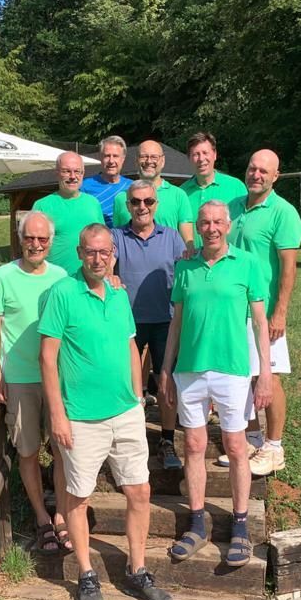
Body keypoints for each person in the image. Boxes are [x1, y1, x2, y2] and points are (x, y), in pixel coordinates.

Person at [39, 223, 173, 600]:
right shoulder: (63, 293)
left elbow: (131, 344)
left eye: (104, 252)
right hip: (81, 417)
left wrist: (137, 396)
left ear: (113, 254)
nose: (98, 259)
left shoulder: (118, 293)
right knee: (79, 497)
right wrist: (57, 414)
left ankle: (137, 570)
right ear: (79, 253)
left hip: (125, 412)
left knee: (140, 491)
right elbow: (47, 357)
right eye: (90, 252)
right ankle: (86, 574)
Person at [159, 201, 272, 567]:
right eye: (205, 222)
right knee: (194, 445)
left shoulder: (247, 264)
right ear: (198, 226)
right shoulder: (185, 267)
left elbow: (260, 323)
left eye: (217, 222)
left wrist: (265, 373)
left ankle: (240, 526)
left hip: (232, 370)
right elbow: (176, 323)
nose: (211, 228)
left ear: (228, 225)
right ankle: (196, 524)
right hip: (190, 369)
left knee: (236, 446)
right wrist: (166, 369)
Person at [0, 211, 71, 554]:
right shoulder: (4, 275)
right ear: (20, 239)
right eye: (29, 238)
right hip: (20, 378)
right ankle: (41, 517)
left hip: (57, 378)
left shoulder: (61, 277)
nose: (36, 244)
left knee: (62, 451)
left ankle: (62, 514)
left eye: (42, 239)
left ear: (51, 242)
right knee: (28, 450)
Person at [221, 149, 301, 477]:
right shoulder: (233, 207)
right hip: (233, 311)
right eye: (252, 168)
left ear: (275, 176)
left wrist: (280, 312)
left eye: (263, 171)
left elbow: (289, 268)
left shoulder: (283, 213)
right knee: (244, 376)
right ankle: (253, 439)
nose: (256, 175)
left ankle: (274, 447)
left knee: (270, 376)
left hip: (264, 311)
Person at [111, 180, 186, 470]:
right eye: (135, 202)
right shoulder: (117, 236)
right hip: (127, 323)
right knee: (126, 382)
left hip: (165, 321)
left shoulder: (172, 237)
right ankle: (127, 439)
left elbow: (185, 274)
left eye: (148, 201)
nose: (142, 207)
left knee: (166, 382)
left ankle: (167, 440)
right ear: (127, 205)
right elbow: (104, 263)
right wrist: (109, 275)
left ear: (156, 205)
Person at [112, 140, 194, 249]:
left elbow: (187, 243)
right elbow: (116, 241)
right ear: (136, 161)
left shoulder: (179, 195)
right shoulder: (121, 198)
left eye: (154, 157)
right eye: (144, 156)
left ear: (163, 161)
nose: (149, 161)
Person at [32, 151, 103, 275]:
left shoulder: (93, 203)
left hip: (89, 278)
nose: (72, 176)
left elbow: (104, 242)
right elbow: (32, 246)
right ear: (57, 173)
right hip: (54, 279)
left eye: (77, 171)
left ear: (83, 173)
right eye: (66, 171)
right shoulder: (42, 206)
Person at [181, 132, 247, 248]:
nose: (201, 159)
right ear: (189, 158)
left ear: (215, 154)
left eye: (205, 153)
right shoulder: (182, 193)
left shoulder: (236, 187)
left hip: (228, 257)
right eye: (196, 154)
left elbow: (247, 226)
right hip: (193, 258)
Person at [81, 135, 133, 228]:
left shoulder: (132, 187)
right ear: (100, 158)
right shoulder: (85, 186)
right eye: (107, 156)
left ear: (123, 159)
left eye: (115, 156)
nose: (111, 161)